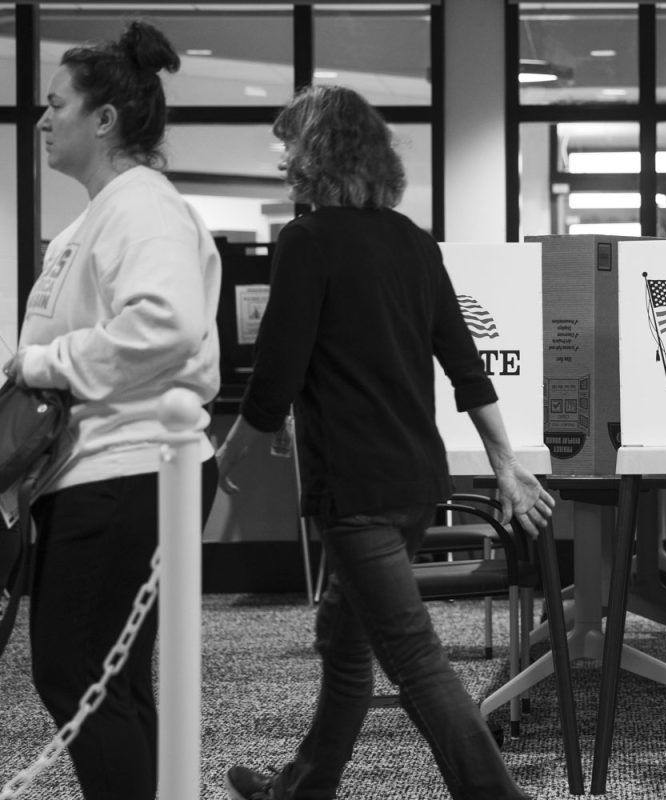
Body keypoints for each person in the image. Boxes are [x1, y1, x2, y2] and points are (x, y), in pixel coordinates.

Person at [216, 85, 555, 800]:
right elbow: (465, 362)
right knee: (344, 644)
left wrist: (225, 463)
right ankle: (302, 789)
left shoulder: (307, 242)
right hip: (413, 482)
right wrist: (505, 463)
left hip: (357, 490)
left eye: (289, 148)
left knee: (413, 657)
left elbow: (273, 380)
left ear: (321, 154)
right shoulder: (411, 241)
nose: (283, 163)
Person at [5, 20, 221, 800]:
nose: (41, 118)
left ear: (105, 120)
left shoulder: (142, 207)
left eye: (55, 103)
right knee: (105, 682)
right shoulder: (97, 218)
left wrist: (42, 363)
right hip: (99, 471)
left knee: (76, 674)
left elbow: (164, 324)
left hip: (131, 469)